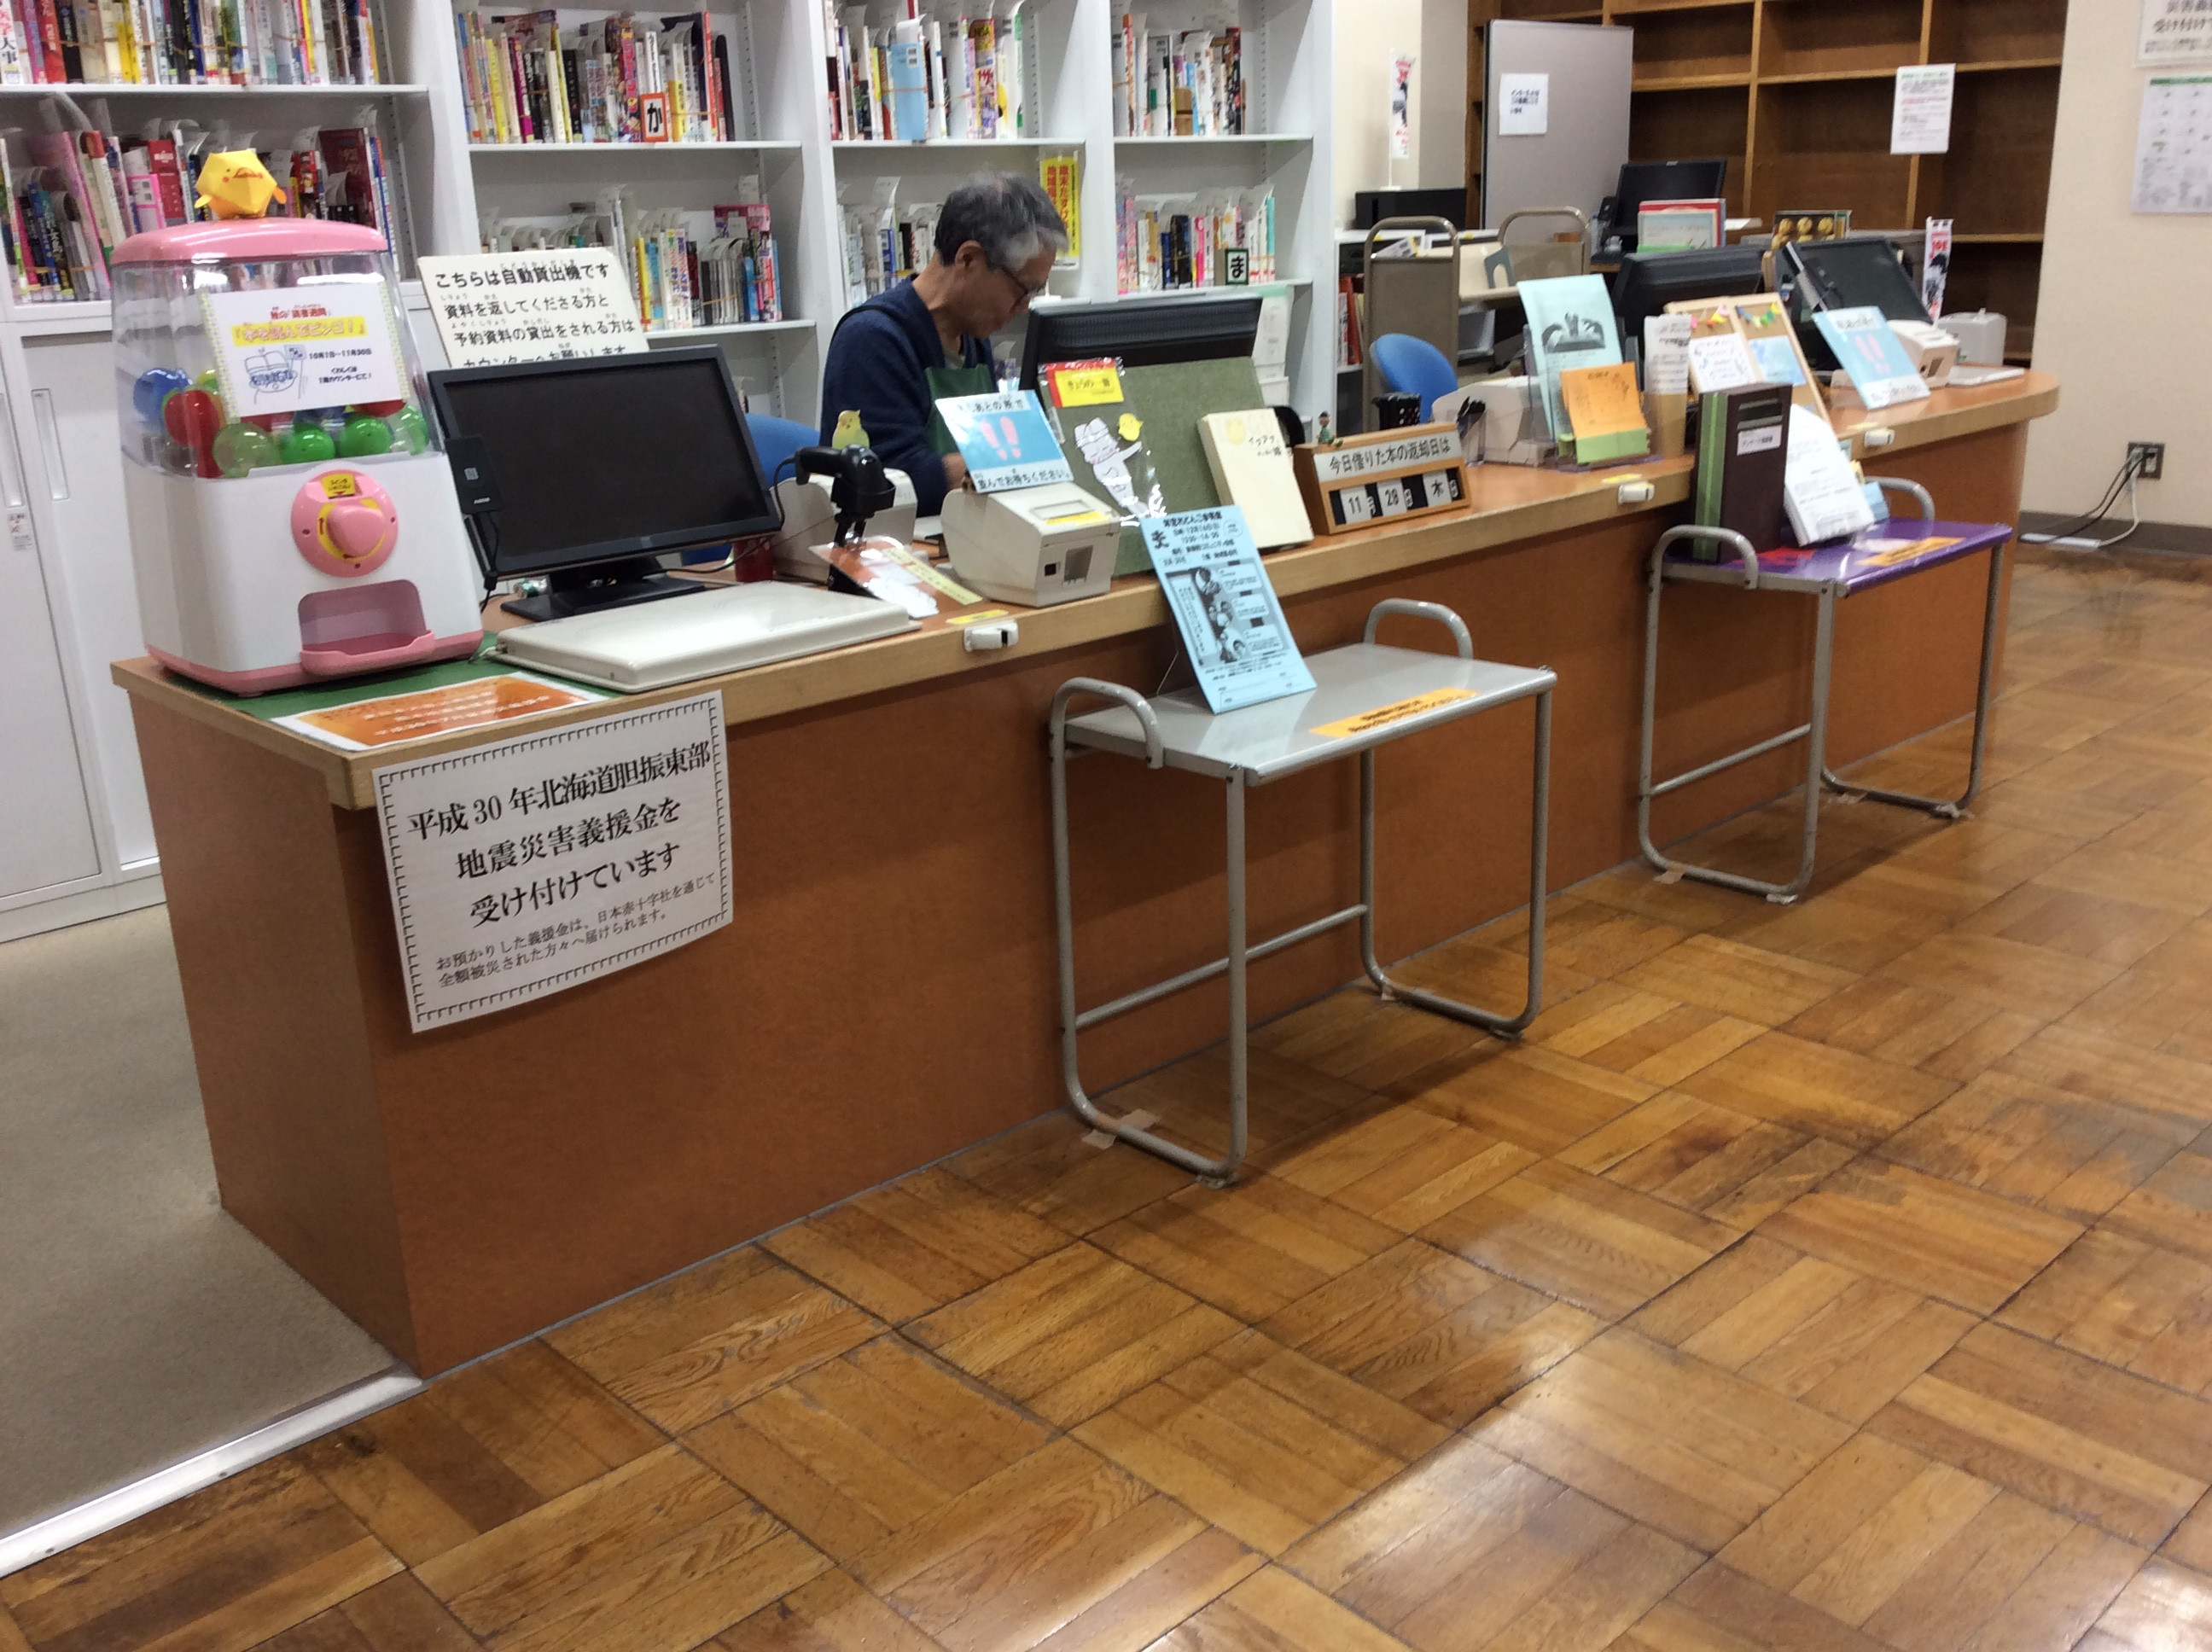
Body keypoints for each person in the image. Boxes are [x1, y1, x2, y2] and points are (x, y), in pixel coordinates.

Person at [818, 172, 1067, 515]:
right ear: (968, 260)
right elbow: (888, 479)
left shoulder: (973, 338)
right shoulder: (871, 339)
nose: (1025, 307)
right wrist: (1020, 464)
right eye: (1022, 289)